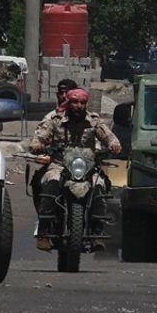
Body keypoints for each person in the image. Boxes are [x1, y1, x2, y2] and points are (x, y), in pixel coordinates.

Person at [29, 88, 122, 251]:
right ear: (68, 103)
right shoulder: (56, 120)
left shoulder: (94, 120)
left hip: (88, 166)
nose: (78, 106)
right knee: (51, 183)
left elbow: (108, 136)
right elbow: (40, 135)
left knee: (100, 186)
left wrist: (113, 145)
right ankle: (44, 232)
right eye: (75, 102)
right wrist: (37, 144)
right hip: (60, 164)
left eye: (82, 102)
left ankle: (97, 232)